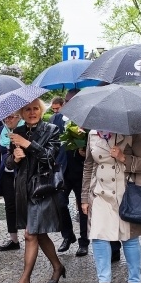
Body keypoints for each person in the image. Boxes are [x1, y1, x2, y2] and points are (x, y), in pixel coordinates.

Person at [81, 130, 141, 283]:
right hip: (100, 193)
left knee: (128, 237)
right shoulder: (93, 134)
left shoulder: (135, 134)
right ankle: (104, 280)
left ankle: (135, 281)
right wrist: (85, 197)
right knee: (98, 236)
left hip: (126, 193)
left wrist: (123, 157)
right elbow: (89, 166)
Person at [6, 98, 66, 283]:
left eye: (35, 109)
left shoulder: (52, 129)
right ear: (22, 113)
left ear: (41, 110)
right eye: (27, 109)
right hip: (23, 190)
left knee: (30, 234)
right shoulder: (17, 133)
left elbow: (50, 157)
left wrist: (28, 145)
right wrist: (15, 157)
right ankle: (58, 266)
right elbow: (9, 164)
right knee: (39, 234)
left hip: (42, 188)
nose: (32, 112)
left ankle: (24, 281)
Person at [51, 89, 89, 256]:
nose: (69, 104)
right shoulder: (56, 119)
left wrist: (84, 150)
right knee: (59, 204)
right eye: (67, 101)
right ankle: (68, 235)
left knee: (83, 208)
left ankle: (84, 242)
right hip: (62, 169)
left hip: (81, 170)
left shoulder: (87, 119)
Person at [0, 112, 23, 252]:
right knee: (9, 205)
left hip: (21, 172)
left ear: (19, 117)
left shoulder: (24, 129)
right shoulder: (3, 129)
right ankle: (14, 239)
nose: (7, 119)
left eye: (11, 117)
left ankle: (32, 236)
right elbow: (0, 148)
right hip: (6, 170)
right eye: (6, 117)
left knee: (24, 205)